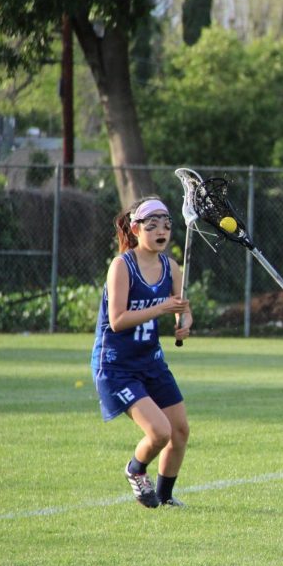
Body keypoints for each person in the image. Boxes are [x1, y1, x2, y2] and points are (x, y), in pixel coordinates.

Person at [91, 197, 192, 508]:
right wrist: (162, 307)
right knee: (159, 432)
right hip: (117, 366)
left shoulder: (170, 266)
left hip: (152, 362)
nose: (161, 230)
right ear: (135, 229)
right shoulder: (122, 266)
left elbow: (183, 307)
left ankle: (163, 496)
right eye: (153, 226)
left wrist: (183, 322)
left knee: (179, 431)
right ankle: (135, 470)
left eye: (166, 225)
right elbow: (118, 321)